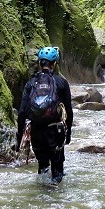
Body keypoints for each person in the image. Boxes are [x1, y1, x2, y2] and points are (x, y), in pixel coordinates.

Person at [16, 46, 74, 183]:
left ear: (40, 63)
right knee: (57, 172)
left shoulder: (31, 83)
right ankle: (55, 201)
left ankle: (41, 199)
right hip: (55, 131)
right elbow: (69, 111)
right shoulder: (61, 82)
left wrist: (19, 138)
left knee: (42, 169)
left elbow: (22, 112)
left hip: (36, 132)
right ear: (55, 63)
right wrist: (69, 133)